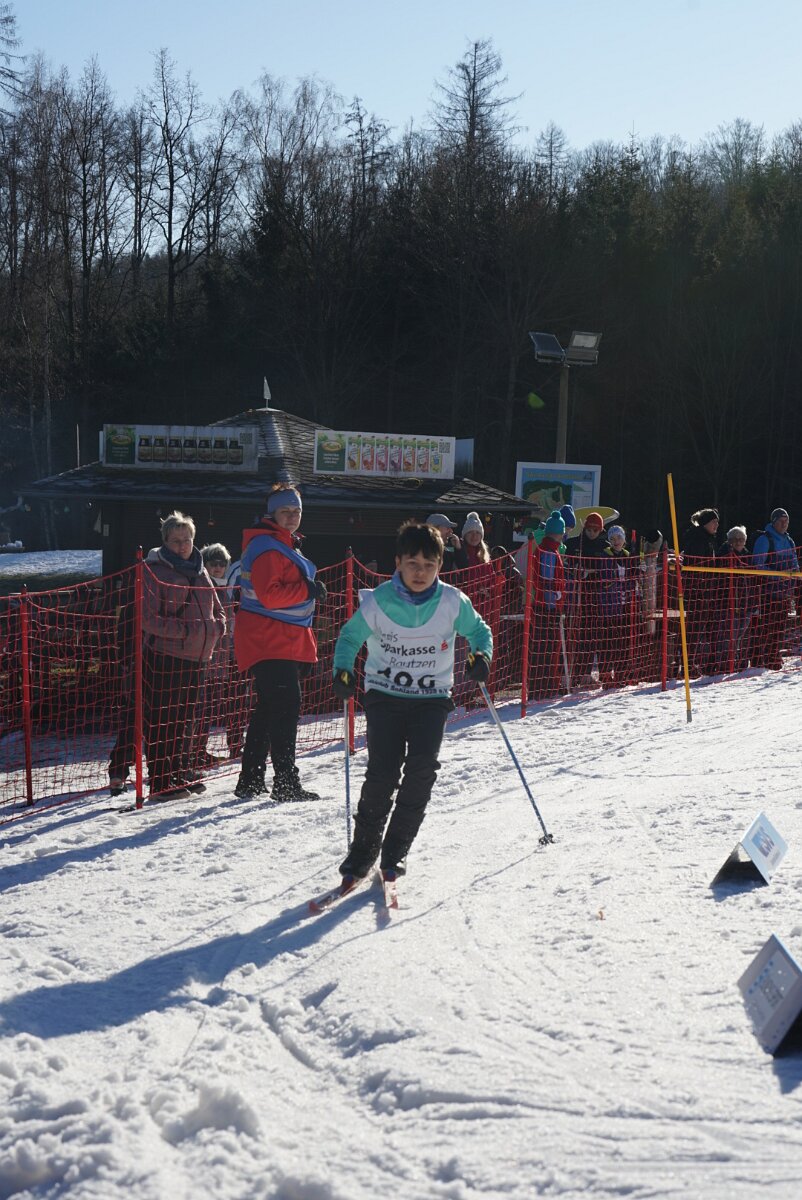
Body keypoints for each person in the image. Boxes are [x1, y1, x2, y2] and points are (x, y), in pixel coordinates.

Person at [331, 520, 492, 879]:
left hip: (431, 699)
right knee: (383, 773)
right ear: (398, 563)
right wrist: (343, 669)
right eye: (413, 564)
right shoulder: (379, 601)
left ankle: (396, 849)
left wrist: (481, 656)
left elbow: (480, 632)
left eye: (428, 565)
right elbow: (350, 637)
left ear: (440, 565)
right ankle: (363, 850)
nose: (420, 573)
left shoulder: (452, 601)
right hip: (384, 696)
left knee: (421, 771)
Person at [233, 484, 326, 801]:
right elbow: (270, 597)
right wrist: (308, 590)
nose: (292, 516)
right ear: (272, 514)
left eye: (296, 511)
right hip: (270, 639)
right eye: (285, 511)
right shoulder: (269, 547)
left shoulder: (278, 544)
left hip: (275, 639)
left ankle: (250, 780)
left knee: (269, 708)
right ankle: (285, 783)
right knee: (285, 708)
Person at [142, 512, 226, 799]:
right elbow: (148, 619)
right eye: (176, 540)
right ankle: (161, 781)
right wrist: (189, 632)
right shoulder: (154, 571)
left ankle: (180, 772)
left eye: (187, 539)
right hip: (166, 656)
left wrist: (217, 627)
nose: (182, 546)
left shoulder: (201, 570)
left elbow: (218, 608)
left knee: (185, 719)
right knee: (164, 719)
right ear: (165, 541)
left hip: (199, 656)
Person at [565, 511, 610, 686]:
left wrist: (592, 572)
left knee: (591, 634)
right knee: (574, 633)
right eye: (589, 529)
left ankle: (585, 672)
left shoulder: (604, 547)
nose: (592, 533)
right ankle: (572, 673)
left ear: (601, 530)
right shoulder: (574, 543)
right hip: (575, 595)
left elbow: (608, 570)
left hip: (596, 596)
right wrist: (575, 569)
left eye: (595, 530)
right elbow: (566, 564)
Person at [752, 508, 798, 670]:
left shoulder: (789, 541)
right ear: (773, 522)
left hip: (785, 593)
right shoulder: (765, 540)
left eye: (787, 521)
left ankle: (773, 657)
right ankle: (759, 660)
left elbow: (794, 564)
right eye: (781, 521)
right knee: (766, 627)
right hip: (767, 593)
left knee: (780, 628)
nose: (784, 524)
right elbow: (757, 565)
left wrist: (794, 574)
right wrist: (779, 576)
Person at [529, 510, 567, 700]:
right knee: (548, 649)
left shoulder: (545, 549)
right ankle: (546, 687)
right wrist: (556, 595)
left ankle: (542, 686)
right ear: (559, 533)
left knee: (542, 649)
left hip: (543, 605)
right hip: (547, 608)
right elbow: (547, 579)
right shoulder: (549, 552)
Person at [681, 508, 720, 675]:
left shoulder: (708, 539)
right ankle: (687, 665)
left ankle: (693, 663)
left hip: (705, 591)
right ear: (705, 523)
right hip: (697, 591)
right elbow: (697, 567)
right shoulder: (698, 539)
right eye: (714, 522)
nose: (716, 525)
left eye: (717, 522)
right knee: (693, 629)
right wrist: (703, 586)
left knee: (700, 629)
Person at [597, 525, 636, 687]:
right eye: (612, 538)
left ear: (624, 539)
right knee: (608, 641)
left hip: (625, 605)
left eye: (619, 537)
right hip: (609, 605)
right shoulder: (605, 556)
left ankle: (621, 674)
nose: (616, 541)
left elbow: (632, 580)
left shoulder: (628, 556)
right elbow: (605, 580)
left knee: (623, 643)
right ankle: (606, 675)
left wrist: (637, 572)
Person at [714, 526, 754, 672]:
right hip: (728, 602)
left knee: (741, 635)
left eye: (741, 539)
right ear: (729, 540)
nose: (738, 542)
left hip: (746, 602)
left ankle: (739, 664)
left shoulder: (748, 556)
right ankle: (725, 665)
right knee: (728, 635)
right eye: (735, 539)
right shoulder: (723, 554)